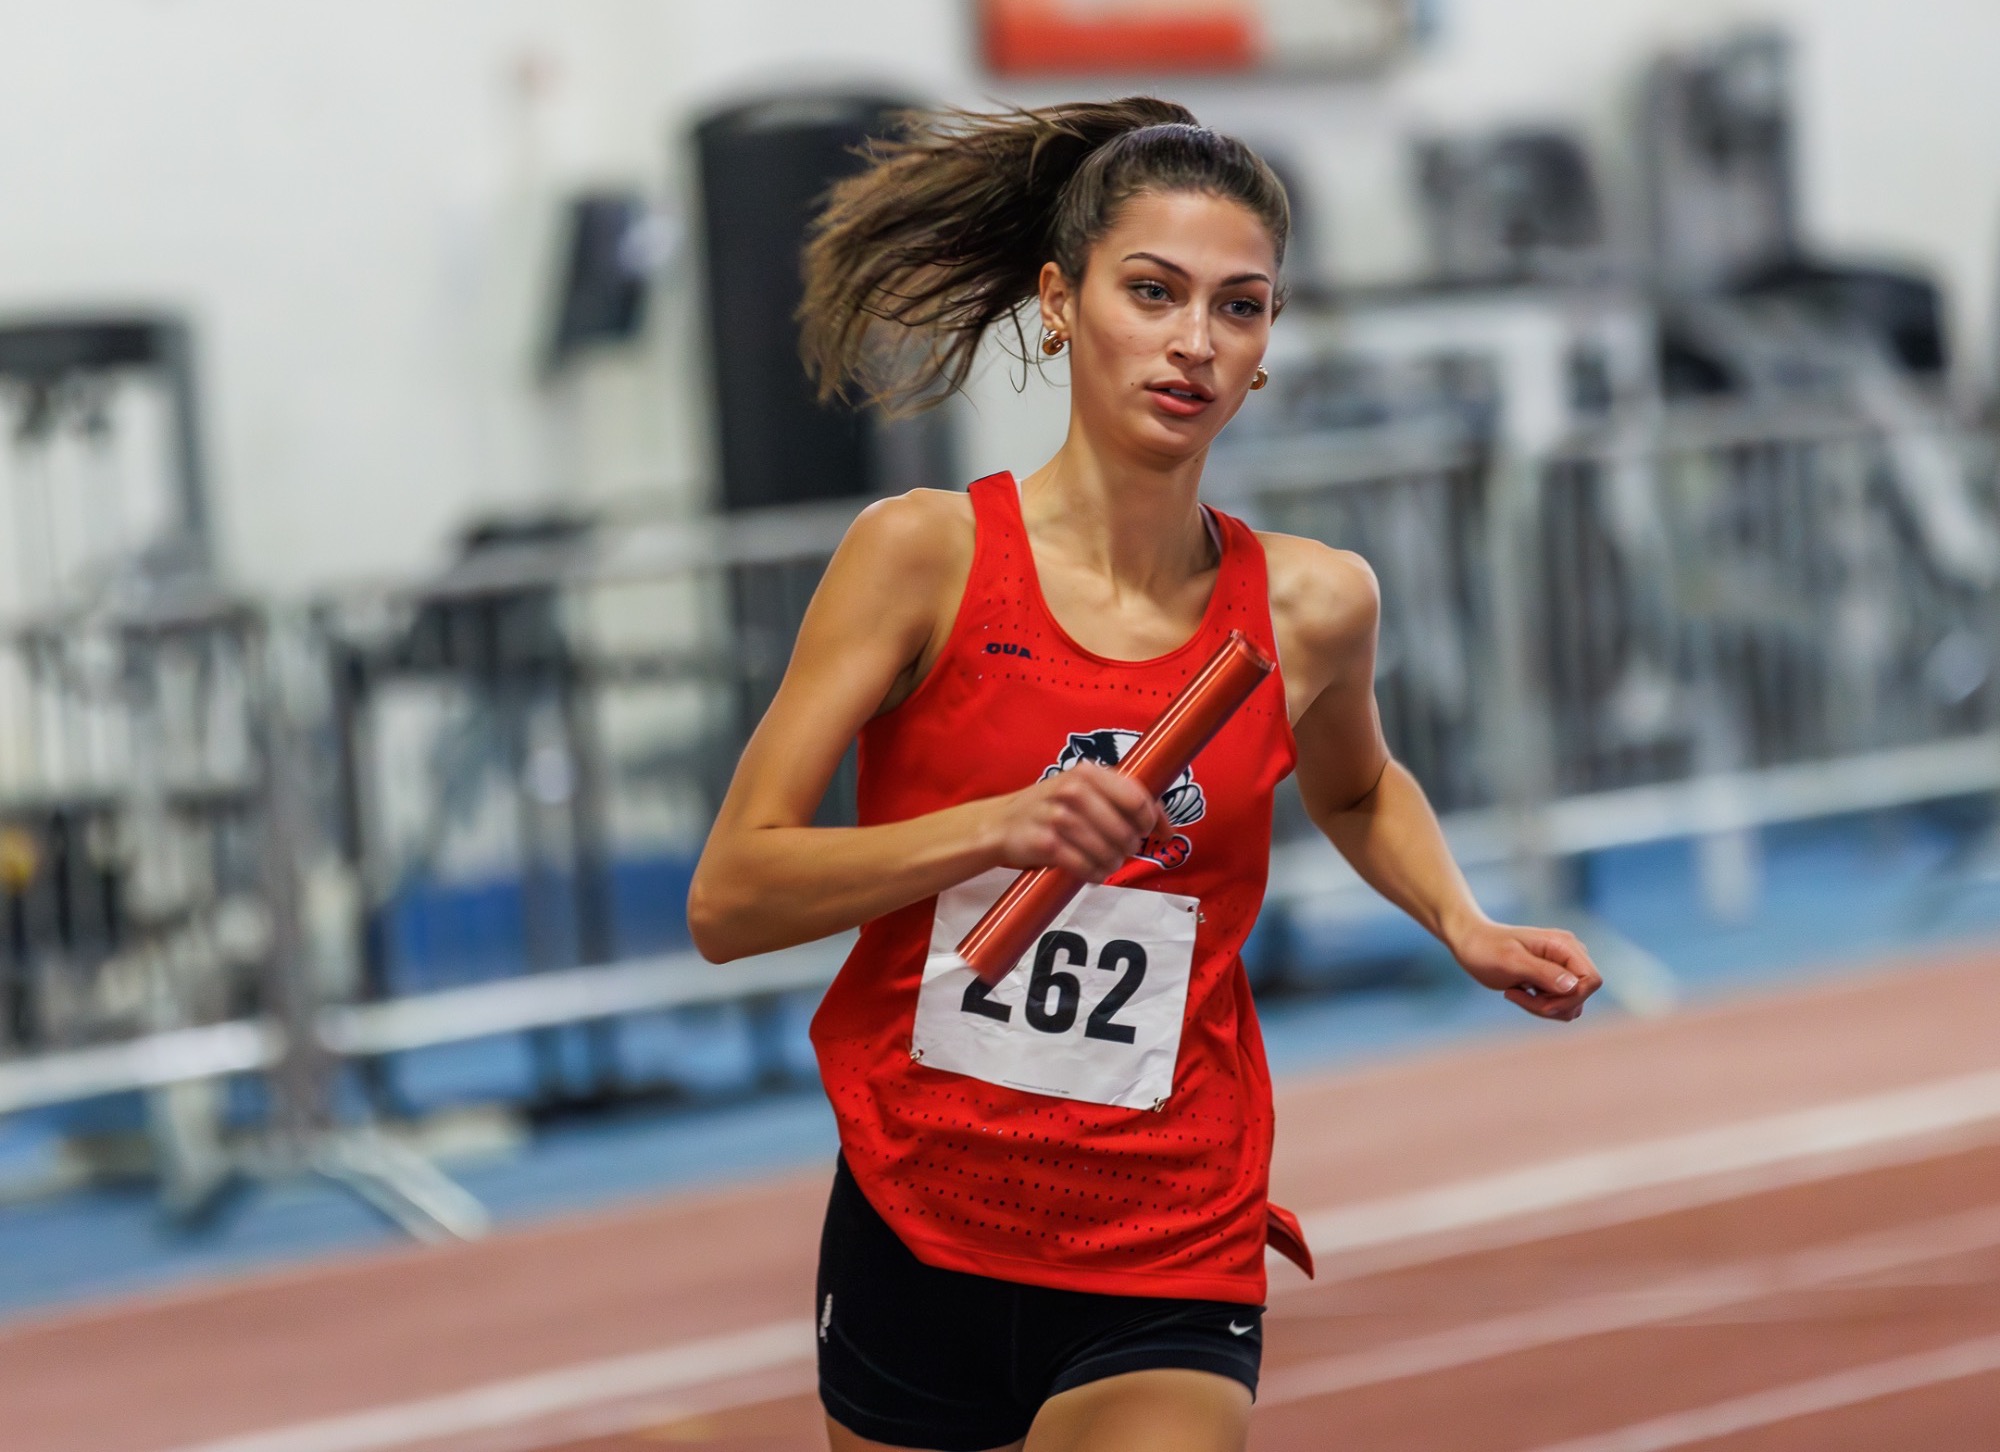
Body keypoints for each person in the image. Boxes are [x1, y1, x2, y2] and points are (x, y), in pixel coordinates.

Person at [688, 97, 1603, 1452]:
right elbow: (732, 898)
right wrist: (998, 827)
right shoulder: (922, 558)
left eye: (1239, 308)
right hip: (918, 1207)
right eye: (1154, 292)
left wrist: (1460, 919)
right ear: (1059, 305)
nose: (1194, 343)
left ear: (1269, 345)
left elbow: (1353, 790)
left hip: (1168, 1229)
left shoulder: (1311, 604)